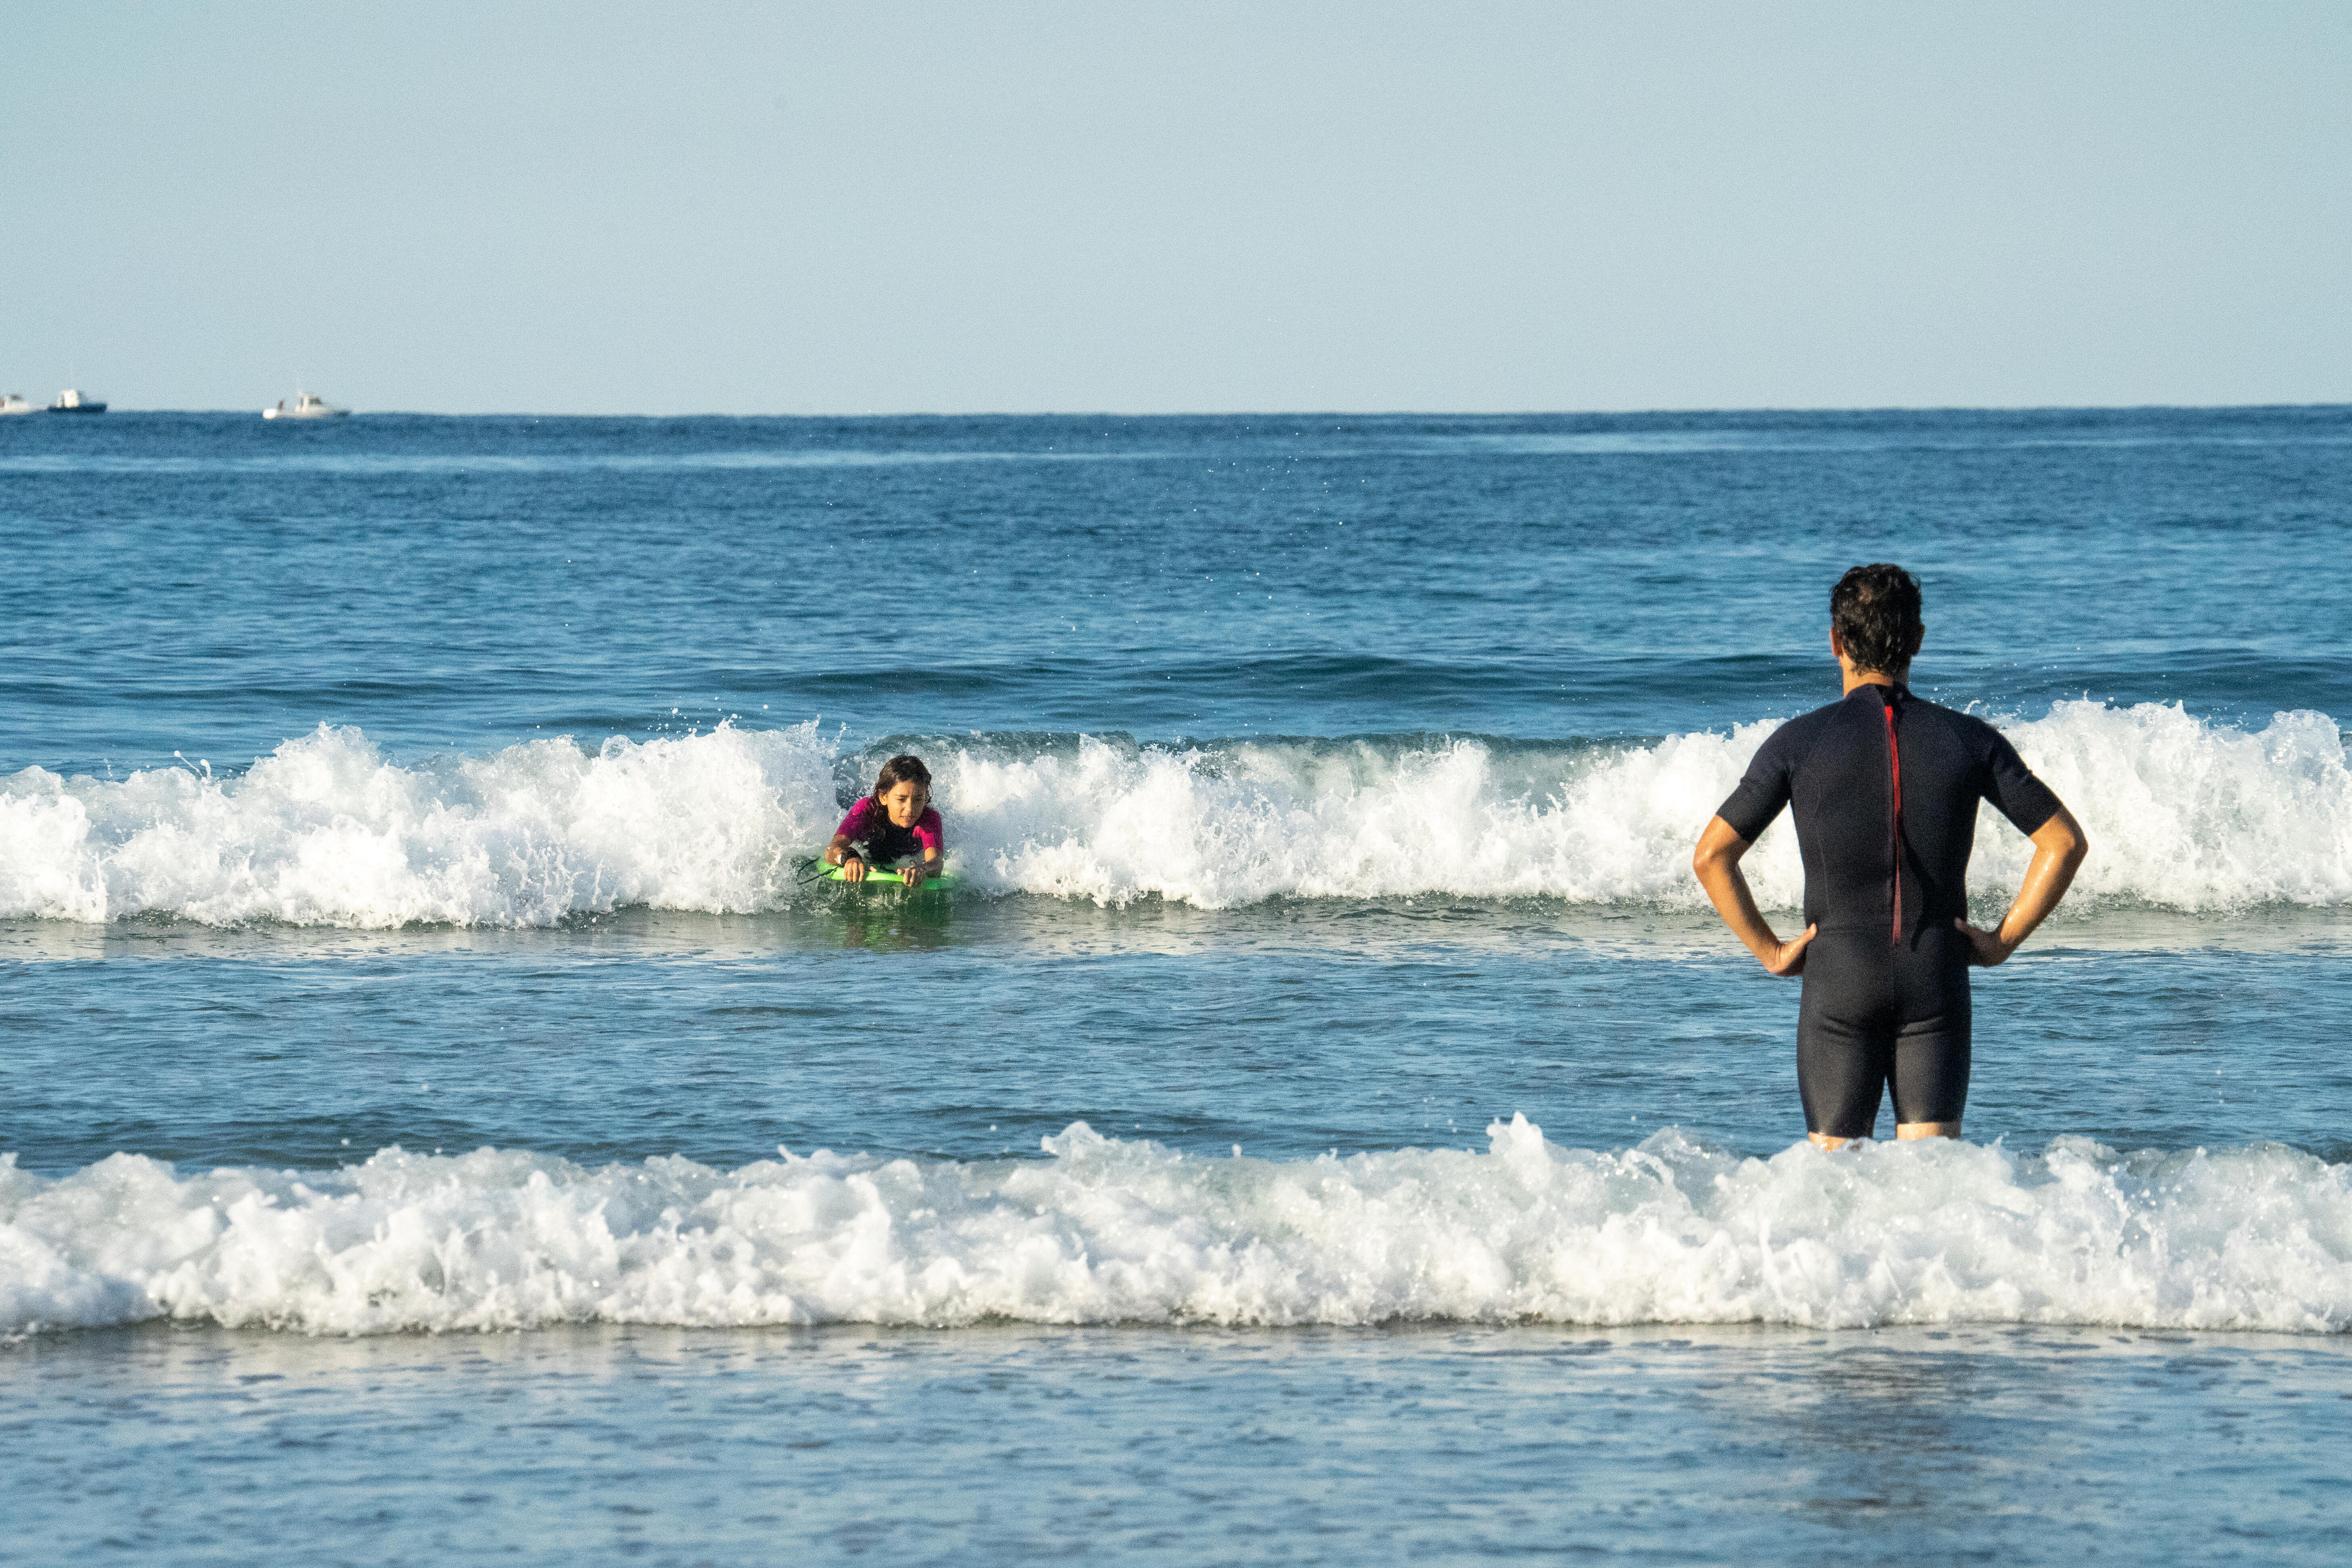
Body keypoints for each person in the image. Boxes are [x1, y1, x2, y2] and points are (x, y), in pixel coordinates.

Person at [1690, 564, 2088, 1148]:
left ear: (1835, 641)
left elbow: (1712, 856)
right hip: (1936, 977)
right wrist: (2002, 940)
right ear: (1919, 639)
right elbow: (2064, 841)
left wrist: (1772, 952)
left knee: (1834, 1181)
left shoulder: (1798, 742)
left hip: (1838, 978)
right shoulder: (1969, 739)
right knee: (1931, 1183)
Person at [825, 753, 946, 886]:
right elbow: (832, 848)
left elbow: (936, 863)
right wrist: (850, 858)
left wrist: (922, 869)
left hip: (910, 857)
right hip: (871, 852)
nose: (910, 809)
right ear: (883, 797)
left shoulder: (929, 818)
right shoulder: (867, 811)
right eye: (901, 799)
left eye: (918, 799)